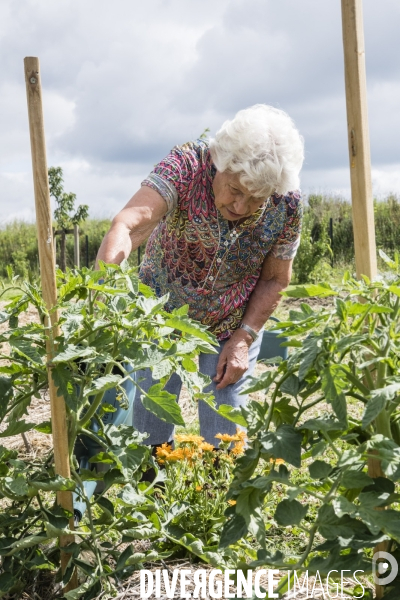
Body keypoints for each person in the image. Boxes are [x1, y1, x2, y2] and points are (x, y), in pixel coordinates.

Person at [96, 104, 304, 453]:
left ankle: (219, 500)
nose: (241, 206)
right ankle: (156, 495)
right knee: (151, 424)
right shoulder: (187, 165)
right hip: (160, 316)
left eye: (256, 199)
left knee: (226, 432)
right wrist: (102, 293)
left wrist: (245, 337)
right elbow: (130, 224)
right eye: (235, 190)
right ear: (220, 163)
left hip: (231, 322)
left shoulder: (287, 204)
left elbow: (275, 280)